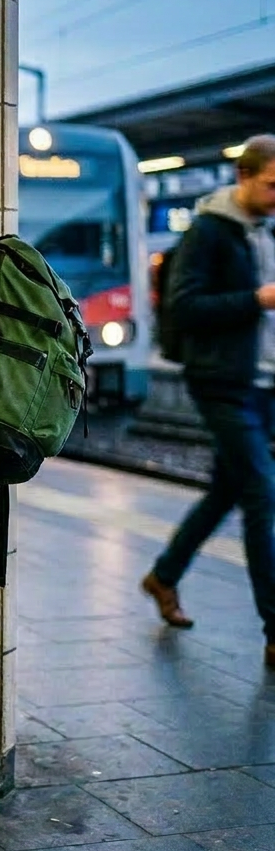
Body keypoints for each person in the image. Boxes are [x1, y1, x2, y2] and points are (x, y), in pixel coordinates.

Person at [143, 135, 275, 657]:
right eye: (271, 184)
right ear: (244, 176)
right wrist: (255, 298)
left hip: (263, 381)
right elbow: (185, 306)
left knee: (228, 489)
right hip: (221, 381)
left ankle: (164, 575)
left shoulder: (265, 229)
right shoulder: (208, 232)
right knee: (263, 492)